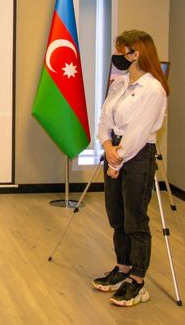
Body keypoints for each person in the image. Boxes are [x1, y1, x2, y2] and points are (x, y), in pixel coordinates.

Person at [92, 30, 169, 306]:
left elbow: (138, 132)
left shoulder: (153, 89)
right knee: (117, 215)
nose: (116, 56)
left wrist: (118, 158)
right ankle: (122, 268)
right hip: (114, 151)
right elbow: (105, 117)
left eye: (120, 51)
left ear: (135, 54)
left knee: (135, 220)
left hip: (136, 156)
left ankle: (137, 281)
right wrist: (106, 144)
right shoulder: (120, 82)